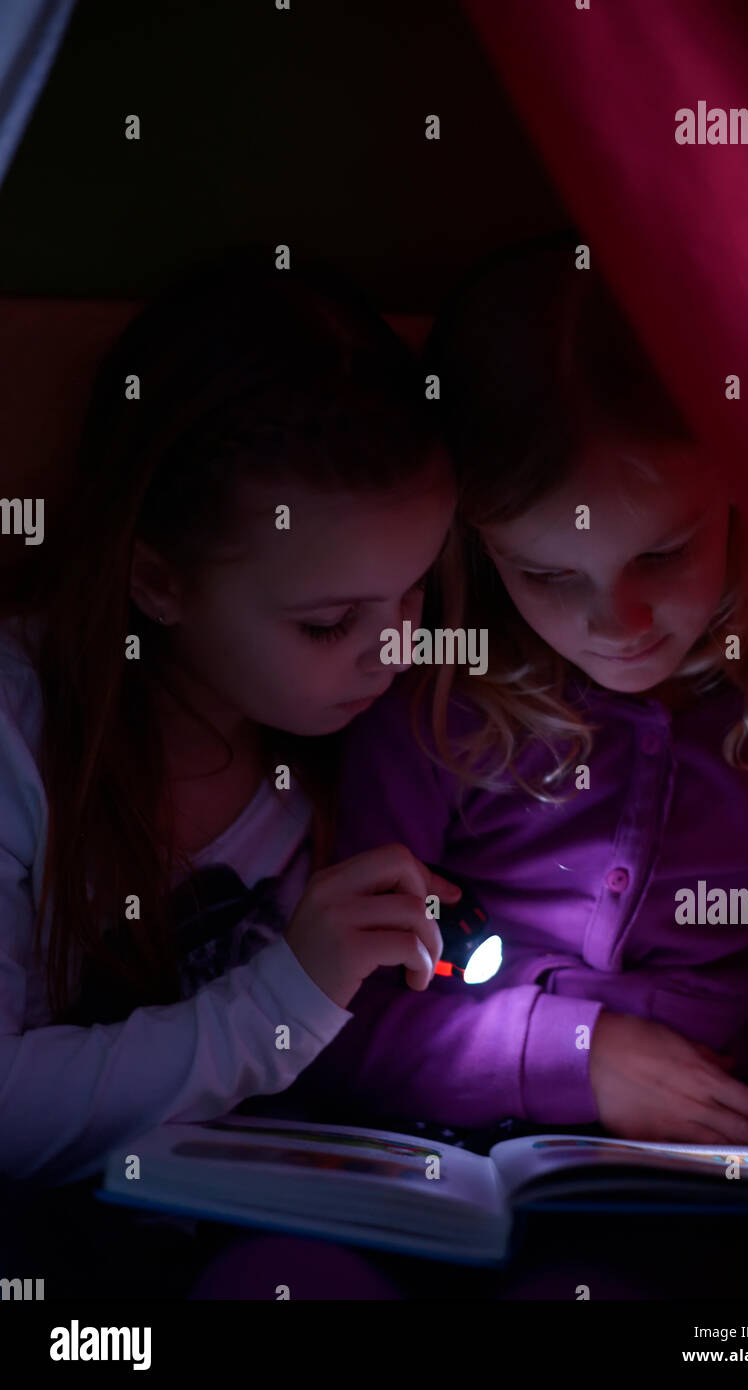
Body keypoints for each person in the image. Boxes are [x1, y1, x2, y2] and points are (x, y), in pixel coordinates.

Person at [295, 233, 748, 1180]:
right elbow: (325, 1018)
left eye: (662, 553)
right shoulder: (430, 701)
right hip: (450, 1159)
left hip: (722, 1173)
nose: (621, 624)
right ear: (477, 549)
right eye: (549, 574)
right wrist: (568, 1056)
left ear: (737, 486)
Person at [0, 245, 458, 1199]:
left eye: (415, 597)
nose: (396, 652)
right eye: (329, 623)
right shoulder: (21, 734)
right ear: (158, 580)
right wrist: (283, 1001)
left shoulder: (369, 746)